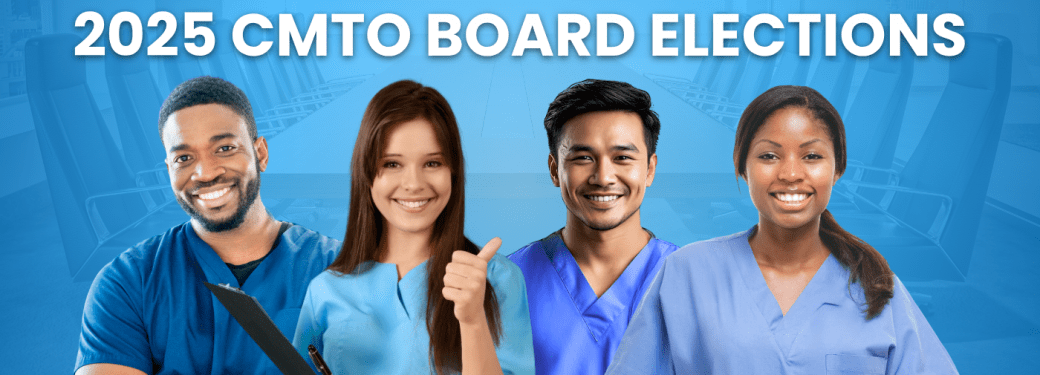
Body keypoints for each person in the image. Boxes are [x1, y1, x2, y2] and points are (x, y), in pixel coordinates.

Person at [606, 85, 958, 374]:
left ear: (838, 170)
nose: (790, 174)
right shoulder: (687, 273)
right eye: (769, 156)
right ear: (742, 168)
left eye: (812, 156)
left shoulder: (876, 286)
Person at [74, 76, 340, 374]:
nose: (204, 172)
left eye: (225, 148)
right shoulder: (127, 283)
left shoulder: (343, 269)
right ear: (168, 171)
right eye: (184, 158)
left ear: (260, 154)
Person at [292, 80, 534, 375]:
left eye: (432, 163)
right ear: (367, 173)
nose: (414, 184)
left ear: (453, 172)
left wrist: (472, 322)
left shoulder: (495, 279)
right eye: (392, 164)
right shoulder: (326, 291)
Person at [507, 79, 679, 375]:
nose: (603, 176)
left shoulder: (691, 281)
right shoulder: (506, 284)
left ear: (650, 169)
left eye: (622, 157)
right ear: (554, 170)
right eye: (583, 158)